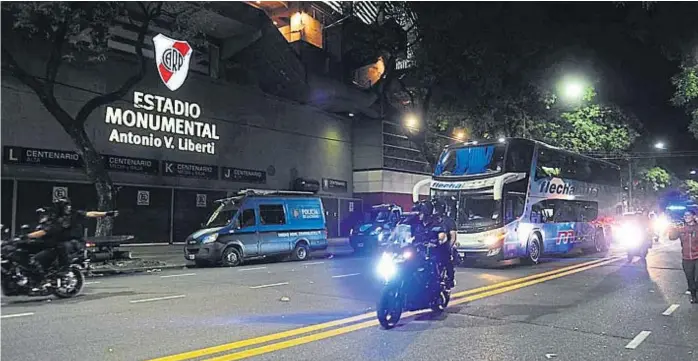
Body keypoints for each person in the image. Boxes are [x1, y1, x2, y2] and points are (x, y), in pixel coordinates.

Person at [28, 198, 118, 278]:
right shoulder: (55, 217)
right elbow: (46, 227)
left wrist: (106, 213)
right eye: (65, 206)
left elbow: (90, 214)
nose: (68, 207)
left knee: (61, 246)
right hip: (59, 241)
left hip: (74, 241)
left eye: (68, 205)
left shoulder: (74, 214)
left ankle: (64, 269)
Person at [669, 210, 698, 304]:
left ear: (694, 216)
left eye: (689, 215)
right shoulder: (681, 229)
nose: (686, 217)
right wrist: (672, 228)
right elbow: (672, 237)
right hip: (686, 259)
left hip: (697, 257)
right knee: (690, 279)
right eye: (685, 215)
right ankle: (694, 296)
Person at [430, 199, 457, 289]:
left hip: (443, 247)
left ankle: (450, 278)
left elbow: (453, 236)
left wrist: (448, 247)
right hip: (431, 247)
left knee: (446, 260)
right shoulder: (431, 220)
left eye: (436, 208)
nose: (435, 211)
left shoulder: (449, 221)